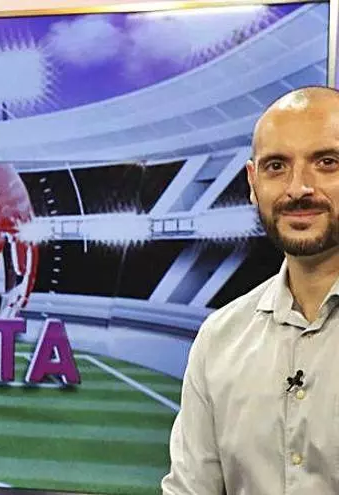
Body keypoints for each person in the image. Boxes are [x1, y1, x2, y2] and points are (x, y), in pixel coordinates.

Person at [162, 85, 339, 494]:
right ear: (252, 181)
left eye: (326, 162)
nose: (298, 188)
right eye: (276, 166)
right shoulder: (219, 338)